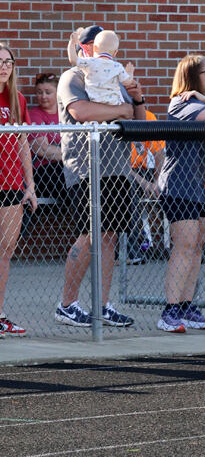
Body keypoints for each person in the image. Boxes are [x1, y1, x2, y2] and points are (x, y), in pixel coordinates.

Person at [54, 24, 144, 328]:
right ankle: (67, 304)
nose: (96, 49)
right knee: (89, 234)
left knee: (109, 237)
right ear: (83, 47)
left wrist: (137, 99)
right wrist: (119, 109)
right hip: (86, 167)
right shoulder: (74, 76)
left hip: (118, 166)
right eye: (90, 44)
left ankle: (103, 305)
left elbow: (135, 119)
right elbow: (81, 112)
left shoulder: (115, 76)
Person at [157, 54, 205, 332]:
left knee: (197, 247)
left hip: (204, 187)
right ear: (193, 78)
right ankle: (169, 310)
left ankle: (186, 305)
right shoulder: (181, 103)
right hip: (180, 186)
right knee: (185, 244)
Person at [0, 42, 37, 338]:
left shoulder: (17, 99)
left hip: (11, 185)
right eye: (0, 61)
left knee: (5, 251)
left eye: (8, 62)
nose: (4, 66)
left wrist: (30, 185)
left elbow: (23, 143)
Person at [128, 109, 165, 263]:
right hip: (123, 172)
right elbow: (118, 164)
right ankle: (132, 251)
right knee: (130, 190)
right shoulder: (113, 117)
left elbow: (159, 153)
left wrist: (158, 181)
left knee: (170, 186)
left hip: (144, 170)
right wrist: (145, 184)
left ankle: (173, 246)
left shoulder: (148, 116)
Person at [28, 72, 67, 202]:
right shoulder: (34, 115)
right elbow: (42, 150)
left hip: (67, 168)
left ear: (58, 93)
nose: (43, 96)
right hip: (45, 171)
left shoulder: (67, 114)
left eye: (48, 92)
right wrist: (73, 155)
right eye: (39, 92)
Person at [67, 29, 134, 105]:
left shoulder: (90, 62)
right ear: (115, 52)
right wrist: (130, 72)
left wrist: (72, 43)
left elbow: (73, 59)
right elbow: (127, 82)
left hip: (94, 102)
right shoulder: (117, 66)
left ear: (95, 48)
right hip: (114, 103)